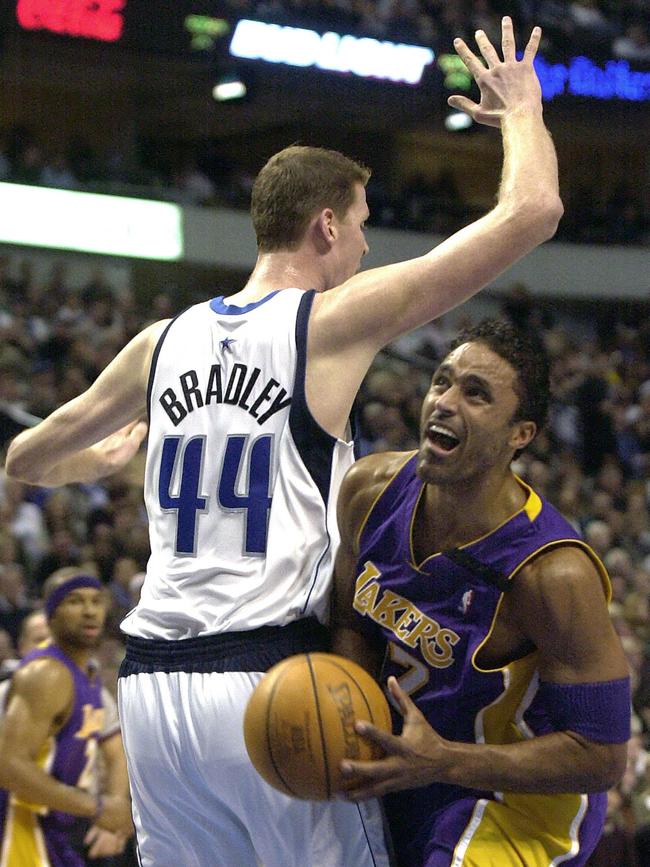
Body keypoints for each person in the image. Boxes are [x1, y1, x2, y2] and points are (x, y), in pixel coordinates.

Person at [4, 19, 563, 867]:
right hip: (268, 675)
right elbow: (532, 211)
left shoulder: (160, 341)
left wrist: (105, 458)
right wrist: (523, 107)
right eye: (365, 224)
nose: (370, 245)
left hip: (152, 687)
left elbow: (24, 461)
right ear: (328, 226)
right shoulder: (326, 324)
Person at [331, 319, 631, 867]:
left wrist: (444, 761)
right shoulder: (368, 491)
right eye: (442, 382)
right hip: (407, 768)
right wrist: (351, 718)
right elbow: (350, 621)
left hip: (515, 805)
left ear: (521, 434)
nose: (445, 402)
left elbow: (603, 754)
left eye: (476, 394)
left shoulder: (553, 574)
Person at [0, 568, 133, 865]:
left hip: (61, 829)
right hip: (22, 827)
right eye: (74, 601)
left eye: (96, 601)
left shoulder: (88, 674)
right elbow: (9, 767)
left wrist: (114, 803)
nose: (89, 611)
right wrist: (98, 808)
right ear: (52, 613)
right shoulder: (45, 674)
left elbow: (116, 748)